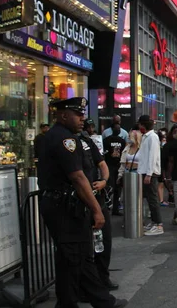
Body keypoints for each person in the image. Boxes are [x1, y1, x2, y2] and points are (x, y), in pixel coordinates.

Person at [39, 97, 126, 308]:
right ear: (63, 115)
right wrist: (97, 210)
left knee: (80, 255)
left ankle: (101, 300)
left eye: (82, 114)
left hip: (65, 205)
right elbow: (78, 177)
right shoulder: (64, 140)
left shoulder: (67, 137)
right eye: (77, 114)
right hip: (64, 207)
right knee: (73, 257)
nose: (82, 118)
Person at [79, 125, 118, 292]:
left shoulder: (88, 142)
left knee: (104, 241)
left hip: (98, 196)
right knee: (86, 246)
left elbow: (102, 163)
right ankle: (87, 284)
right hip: (81, 200)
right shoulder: (68, 143)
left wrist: (104, 180)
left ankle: (103, 277)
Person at [137, 115, 164, 236]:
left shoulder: (152, 137)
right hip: (145, 172)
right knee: (149, 199)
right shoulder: (146, 137)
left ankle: (158, 224)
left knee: (153, 199)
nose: (139, 127)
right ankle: (154, 222)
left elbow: (152, 157)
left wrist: (149, 174)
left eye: (140, 124)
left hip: (150, 173)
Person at [103, 123, 127, 216]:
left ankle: (115, 209)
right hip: (110, 166)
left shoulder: (118, 140)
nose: (118, 130)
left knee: (116, 188)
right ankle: (108, 205)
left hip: (117, 166)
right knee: (110, 187)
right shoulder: (109, 140)